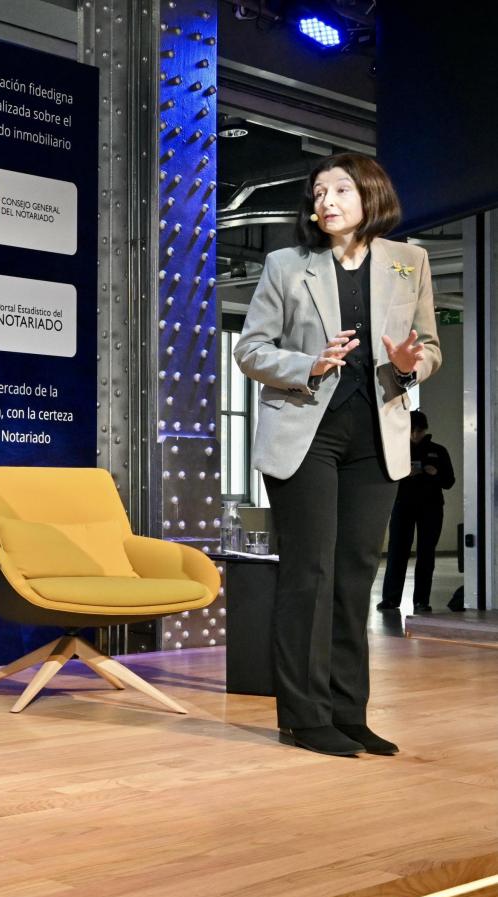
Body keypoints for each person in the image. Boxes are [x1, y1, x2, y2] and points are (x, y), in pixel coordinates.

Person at [235, 153, 440, 758]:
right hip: (306, 430)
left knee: (354, 578)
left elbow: (428, 347)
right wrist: (309, 363)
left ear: (370, 194)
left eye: (339, 190)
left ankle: (349, 712)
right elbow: (250, 350)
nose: (325, 201)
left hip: (377, 435)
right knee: (309, 574)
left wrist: (411, 364)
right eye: (318, 192)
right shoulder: (285, 265)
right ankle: (302, 715)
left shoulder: (410, 262)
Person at [379, 411, 455, 611]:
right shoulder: (397, 450)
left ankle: (421, 601)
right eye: (412, 430)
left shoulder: (438, 451)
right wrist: (404, 473)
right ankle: (391, 599)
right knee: (397, 552)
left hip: (431, 508)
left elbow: (449, 482)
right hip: (402, 506)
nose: (415, 435)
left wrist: (435, 473)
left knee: (426, 554)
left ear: (425, 430)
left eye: (419, 431)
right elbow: (385, 479)